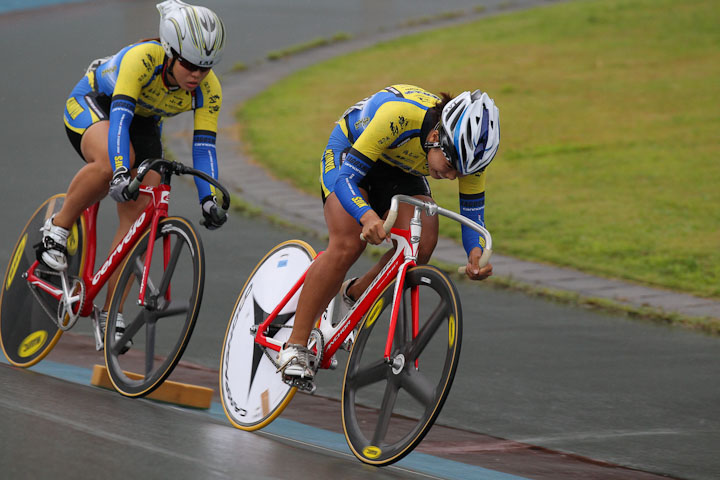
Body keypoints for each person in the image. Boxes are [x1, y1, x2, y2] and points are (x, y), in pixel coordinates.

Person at [36, 0, 228, 348]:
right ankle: (58, 227)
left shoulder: (208, 89)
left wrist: (208, 200)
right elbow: (120, 118)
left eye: (206, 66)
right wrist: (122, 171)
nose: (197, 75)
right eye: (189, 64)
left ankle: (110, 313)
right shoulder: (142, 59)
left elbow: (204, 148)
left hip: (142, 121)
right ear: (169, 52)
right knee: (110, 166)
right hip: (97, 103)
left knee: (141, 219)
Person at [277, 84, 500, 379]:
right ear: (436, 137)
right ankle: (294, 345)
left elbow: (472, 217)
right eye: (449, 166)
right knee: (348, 243)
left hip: (401, 169)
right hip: (352, 154)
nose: (451, 176)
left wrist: (475, 256)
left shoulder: (469, 157)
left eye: (460, 173)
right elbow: (347, 179)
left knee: (421, 245)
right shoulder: (399, 116)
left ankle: (354, 295)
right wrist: (365, 214)